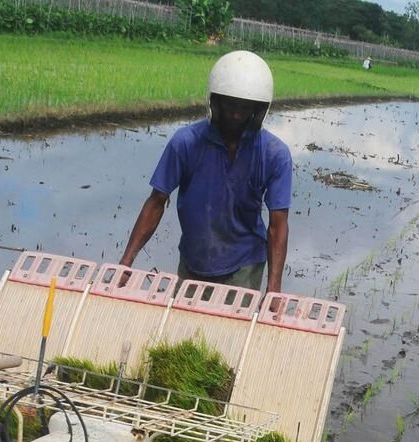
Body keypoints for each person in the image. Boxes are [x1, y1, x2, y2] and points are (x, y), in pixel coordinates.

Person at [119, 51, 292, 293]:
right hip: (193, 259)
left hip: (244, 265)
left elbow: (277, 224)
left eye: (245, 107)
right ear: (215, 101)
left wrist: (274, 290)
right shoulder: (186, 143)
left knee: (228, 330)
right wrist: (125, 265)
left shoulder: (274, 154)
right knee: (186, 329)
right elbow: (157, 201)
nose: (236, 114)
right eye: (230, 104)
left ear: (259, 109)